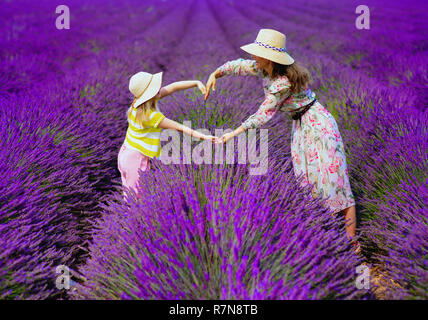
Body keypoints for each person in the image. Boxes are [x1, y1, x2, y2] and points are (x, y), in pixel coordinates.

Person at [205, 29, 360, 253]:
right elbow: (238, 65)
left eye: (258, 53)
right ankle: (326, 237)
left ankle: (352, 243)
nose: (253, 57)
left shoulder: (282, 83)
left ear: (269, 57)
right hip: (301, 128)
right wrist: (215, 74)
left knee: (335, 182)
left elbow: (262, 115)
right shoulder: (263, 68)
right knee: (310, 183)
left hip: (318, 127)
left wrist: (232, 133)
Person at [118, 71, 215, 197]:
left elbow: (173, 87)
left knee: (130, 194)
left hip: (126, 152)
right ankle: (132, 216)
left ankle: (129, 214)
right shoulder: (150, 116)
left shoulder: (139, 105)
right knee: (137, 198)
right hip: (136, 159)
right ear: (149, 95)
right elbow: (180, 127)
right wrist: (205, 136)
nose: (159, 88)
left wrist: (196, 83)